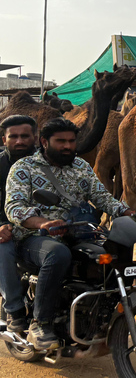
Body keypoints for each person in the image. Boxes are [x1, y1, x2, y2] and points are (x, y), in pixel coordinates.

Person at [5, 117, 136, 350]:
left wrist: (130, 213)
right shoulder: (23, 168)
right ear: (44, 141)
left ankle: (101, 314)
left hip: (79, 232)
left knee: (113, 256)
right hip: (34, 238)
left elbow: (102, 197)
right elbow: (15, 207)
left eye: (71, 141)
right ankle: (40, 323)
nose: (67, 146)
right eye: (60, 141)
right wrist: (43, 223)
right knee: (58, 254)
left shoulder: (81, 166)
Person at [0, 115, 38, 334]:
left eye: (25, 136)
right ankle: (15, 311)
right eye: (13, 136)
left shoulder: (47, 165)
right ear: (4, 139)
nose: (19, 141)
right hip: (7, 227)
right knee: (3, 247)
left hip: (42, 226)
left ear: (35, 137)